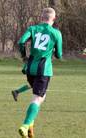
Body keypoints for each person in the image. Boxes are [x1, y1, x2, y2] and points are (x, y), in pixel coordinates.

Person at [17, 8, 62, 138]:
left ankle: (31, 124)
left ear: (42, 17)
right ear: (53, 19)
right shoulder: (56, 33)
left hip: (30, 69)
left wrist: (24, 56)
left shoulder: (33, 29)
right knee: (37, 98)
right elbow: (59, 54)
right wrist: (52, 50)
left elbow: (21, 42)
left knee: (41, 97)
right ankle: (25, 125)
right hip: (44, 70)